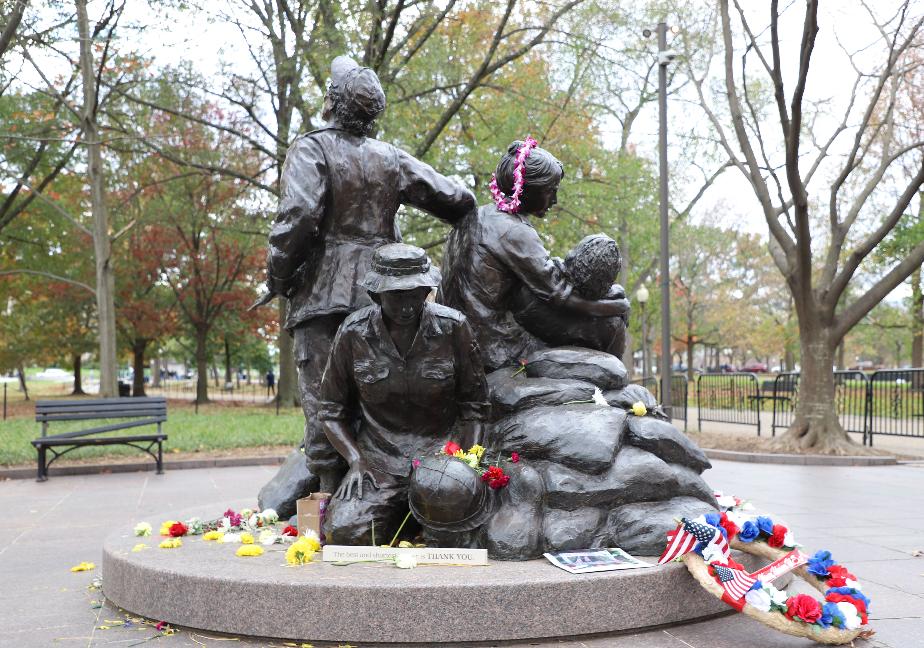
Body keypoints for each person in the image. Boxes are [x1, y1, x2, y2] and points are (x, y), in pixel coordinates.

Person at [261, 56, 476, 492]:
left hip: (325, 293)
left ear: (331, 103)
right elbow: (457, 199)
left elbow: (299, 214)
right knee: (378, 396)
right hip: (386, 294)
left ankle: (325, 506)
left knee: (325, 399)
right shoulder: (391, 159)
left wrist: (279, 277)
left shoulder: (311, 148)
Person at [318, 244, 489, 545]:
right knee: (345, 533)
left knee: (453, 538)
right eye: (397, 296)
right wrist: (356, 459)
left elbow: (474, 406)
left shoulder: (454, 328)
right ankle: (399, 515)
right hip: (378, 463)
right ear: (376, 294)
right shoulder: (352, 333)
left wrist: (463, 463)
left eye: (415, 293)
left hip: (440, 458)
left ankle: (414, 519)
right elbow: (331, 411)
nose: (407, 305)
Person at [440, 138, 630, 371]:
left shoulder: (478, 218)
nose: (555, 200)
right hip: (494, 346)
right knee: (610, 326)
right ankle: (609, 395)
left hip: (462, 337)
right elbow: (559, 295)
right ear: (527, 189)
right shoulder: (513, 230)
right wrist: (618, 307)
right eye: (551, 191)